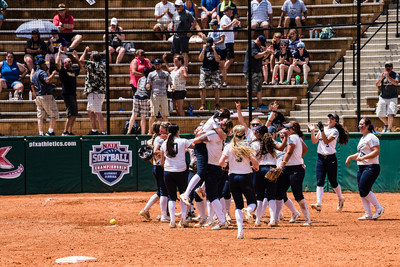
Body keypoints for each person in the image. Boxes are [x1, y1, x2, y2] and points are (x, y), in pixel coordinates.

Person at [219, 125, 259, 239]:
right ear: (243, 135)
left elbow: (221, 162)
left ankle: (240, 231)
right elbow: (255, 162)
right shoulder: (246, 145)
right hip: (246, 176)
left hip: (233, 177)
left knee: (238, 205)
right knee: (253, 202)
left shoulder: (228, 146)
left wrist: (227, 165)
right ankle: (248, 210)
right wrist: (255, 167)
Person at [308, 114, 349, 212]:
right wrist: (313, 131)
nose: (329, 120)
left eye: (332, 119)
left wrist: (322, 130)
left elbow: (326, 141)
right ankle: (318, 203)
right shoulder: (324, 129)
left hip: (330, 159)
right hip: (320, 158)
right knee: (319, 181)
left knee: (333, 182)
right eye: (329, 118)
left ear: (336, 122)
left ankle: (340, 198)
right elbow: (314, 141)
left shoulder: (335, 131)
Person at [345, 118, 385, 220]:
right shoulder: (363, 138)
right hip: (362, 167)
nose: (360, 126)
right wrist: (350, 157)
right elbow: (361, 153)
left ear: (367, 126)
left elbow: (376, 151)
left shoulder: (371, 137)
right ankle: (368, 214)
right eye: (359, 124)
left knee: (363, 189)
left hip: (371, 166)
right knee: (362, 190)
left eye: (362, 124)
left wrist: (363, 158)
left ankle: (379, 208)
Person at [274, 121, 312, 226]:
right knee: (279, 193)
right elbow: (305, 148)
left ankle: (308, 219)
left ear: (293, 130)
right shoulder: (297, 137)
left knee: (298, 195)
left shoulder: (293, 137)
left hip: (294, 169)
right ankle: (275, 219)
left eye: (288, 128)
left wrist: (282, 165)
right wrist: (298, 157)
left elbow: (289, 152)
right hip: (289, 168)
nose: (285, 130)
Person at [250, 125, 287, 226]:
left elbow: (252, 156)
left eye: (256, 132)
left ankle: (258, 220)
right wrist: (286, 137)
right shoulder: (271, 141)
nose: (255, 133)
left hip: (260, 169)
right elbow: (282, 147)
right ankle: (272, 220)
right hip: (271, 169)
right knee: (271, 196)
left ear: (259, 133)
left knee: (259, 196)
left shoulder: (255, 143)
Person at [160, 123, 194, 228]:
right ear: (178, 131)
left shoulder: (164, 143)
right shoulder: (183, 141)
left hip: (168, 172)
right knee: (183, 195)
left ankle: (172, 221)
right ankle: (183, 220)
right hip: (181, 171)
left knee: (171, 197)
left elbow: (162, 162)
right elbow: (194, 146)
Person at [139, 122, 170, 222]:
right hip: (160, 167)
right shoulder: (159, 139)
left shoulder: (153, 139)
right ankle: (164, 215)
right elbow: (155, 151)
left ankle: (146, 210)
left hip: (156, 167)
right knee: (163, 192)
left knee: (160, 192)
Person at [79, 46, 106, 135]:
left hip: (95, 92)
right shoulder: (103, 65)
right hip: (99, 92)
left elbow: (81, 60)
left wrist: (85, 50)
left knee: (98, 112)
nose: (89, 58)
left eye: (90, 57)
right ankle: (94, 130)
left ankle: (102, 132)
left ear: (93, 59)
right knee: (90, 110)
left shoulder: (93, 65)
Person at [56, 49, 82, 136]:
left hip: (73, 94)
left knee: (74, 113)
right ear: (64, 64)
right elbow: (57, 64)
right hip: (67, 94)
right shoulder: (63, 71)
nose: (70, 63)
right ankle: (65, 131)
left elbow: (82, 68)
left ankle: (70, 131)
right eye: (68, 62)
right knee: (71, 114)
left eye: (70, 61)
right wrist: (59, 52)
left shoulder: (73, 71)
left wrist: (76, 58)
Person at [30, 58, 58, 136]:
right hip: (46, 96)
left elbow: (32, 85)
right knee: (54, 114)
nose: (46, 65)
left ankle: (41, 133)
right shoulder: (42, 72)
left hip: (38, 97)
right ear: (41, 65)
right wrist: (53, 74)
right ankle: (50, 132)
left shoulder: (34, 74)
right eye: (45, 64)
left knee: (40, 116)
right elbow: (47, 81)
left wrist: (35, 94)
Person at [243, 35, 271, 110]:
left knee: (259, 88)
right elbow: (256, 56)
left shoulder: (258, 47)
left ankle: (260, 104)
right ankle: (249, 104)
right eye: (261, 43)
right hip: (250, 70)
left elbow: (262, 57)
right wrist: (266, 51)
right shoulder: (252, 45)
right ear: (258, 40)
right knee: (250, 88)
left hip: (257, 70)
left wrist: (268, 53)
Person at [146, 58, 173, 129]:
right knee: (153, 115)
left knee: (165, 115)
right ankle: (150, 130)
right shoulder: (151, 74)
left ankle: (167, 129)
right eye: (156, 64)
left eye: (158, 64)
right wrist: (148, 86)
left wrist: (172, 87)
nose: (157, 66)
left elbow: (170, 82)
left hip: (163, 95)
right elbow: (148, 83)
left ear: (161, 65)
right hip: (155, 95)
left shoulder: (166, 73)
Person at [375, 61, 399, 132]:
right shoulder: (381, 74)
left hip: (393, 97)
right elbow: (376, 84)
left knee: (390, 113)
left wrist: (388, 77)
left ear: (392, 67)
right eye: (386, 66)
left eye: (389, 66)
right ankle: (386, 125)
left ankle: (389, 128)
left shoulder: (396, 74)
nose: (388, 68)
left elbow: (396, 83)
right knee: (379, 114)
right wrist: (381, 79)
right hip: (383, 97)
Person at [127, 67, 152, 135]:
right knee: (143, 117)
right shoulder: (150, 80)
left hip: (137, 96)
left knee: (134, 115)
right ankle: (143, 134)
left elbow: (138, 88)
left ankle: (128, 131)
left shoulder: (141, 79)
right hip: (145, 98)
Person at [170, 0, 194, 68]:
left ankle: (185, 67)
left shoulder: (187, 13)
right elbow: (172, 22)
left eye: (178, 6)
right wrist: (170, 26)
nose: (177, 7)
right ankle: (175, 67)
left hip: (184, 36)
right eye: (176, 6)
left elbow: (194, 22)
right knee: (175, 53)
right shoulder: (175, 13)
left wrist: (190, 30)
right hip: (176, 36)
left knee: (184, 53)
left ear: (182, 6)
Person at [198, 37, 221, 111]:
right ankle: (202, 104)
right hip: (205, 69)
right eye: (208, 45)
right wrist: (204, 49)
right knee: (202, 87)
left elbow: (218, 60)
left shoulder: (217, 49)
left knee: (216, 87)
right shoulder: (203, 49)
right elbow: (200, 59)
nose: (209, 46)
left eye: (210, 45)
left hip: (215, 70)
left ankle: (217, 104)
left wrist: (214, 50)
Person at [220, 6, 240, 87]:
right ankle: (223, 73)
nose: (232, 12)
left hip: (230, 41)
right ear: (227, 11)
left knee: (229, 58)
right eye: (230, 10)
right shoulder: (224, 18)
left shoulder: (228, 18)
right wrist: (232, 23)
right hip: (227, 41)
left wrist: (235, 24)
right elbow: (224, 27)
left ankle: (223, 72)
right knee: (231, 59)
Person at [207, 19, 227, 86]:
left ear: (216, 25)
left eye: (213, 25)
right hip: (213, 50)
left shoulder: (220, 30)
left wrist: (215, 43)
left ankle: (225, 81)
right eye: (211, 25)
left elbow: (222, 40)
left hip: (221, 50)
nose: (212, 26)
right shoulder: (210, 32)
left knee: (222, 65)